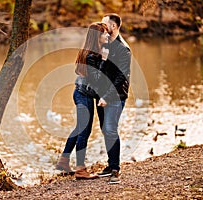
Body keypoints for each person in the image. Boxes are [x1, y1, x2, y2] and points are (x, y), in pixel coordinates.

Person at [55, 22, 110, 179]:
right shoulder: (92, 55)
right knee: (84, 131)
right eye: (104, 33)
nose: (107, 35)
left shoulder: (92, 52)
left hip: (83, 93)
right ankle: (80, 170)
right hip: (82, 95)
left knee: (80, 128)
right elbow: (98, 80)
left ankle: (63, 161)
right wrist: (104, 60)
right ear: (96, 37)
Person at [95, 13, 131, 184]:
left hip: (115, 96)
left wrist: (106, 96)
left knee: (110, 129)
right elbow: (102, 69)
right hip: (101, 95)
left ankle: (115, 170)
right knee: (105, 130)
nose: (102, 26)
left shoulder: (123, 49)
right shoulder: (106, 44)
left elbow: (120, 78)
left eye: (105, 24)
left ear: (114, 26)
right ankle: (110, 165)